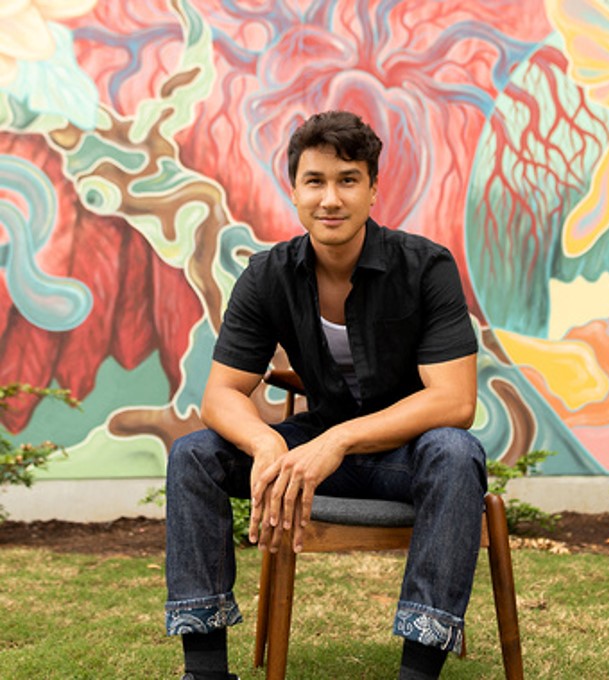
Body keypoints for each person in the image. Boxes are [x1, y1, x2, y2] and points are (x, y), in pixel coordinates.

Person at [165, 110, 487, 680]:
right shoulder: (268, 275)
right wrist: (267, 445)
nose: (330, 199)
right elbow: (221, 394)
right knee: (193, 455)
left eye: (348, 180)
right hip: (313, 449)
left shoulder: (425, 266)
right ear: (294, 190)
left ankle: (418, 671)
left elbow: (455, 401)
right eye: (315, 181)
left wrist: (339, 439)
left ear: (373, 189)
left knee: (456, 451)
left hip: (405, 456)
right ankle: (206, 671)